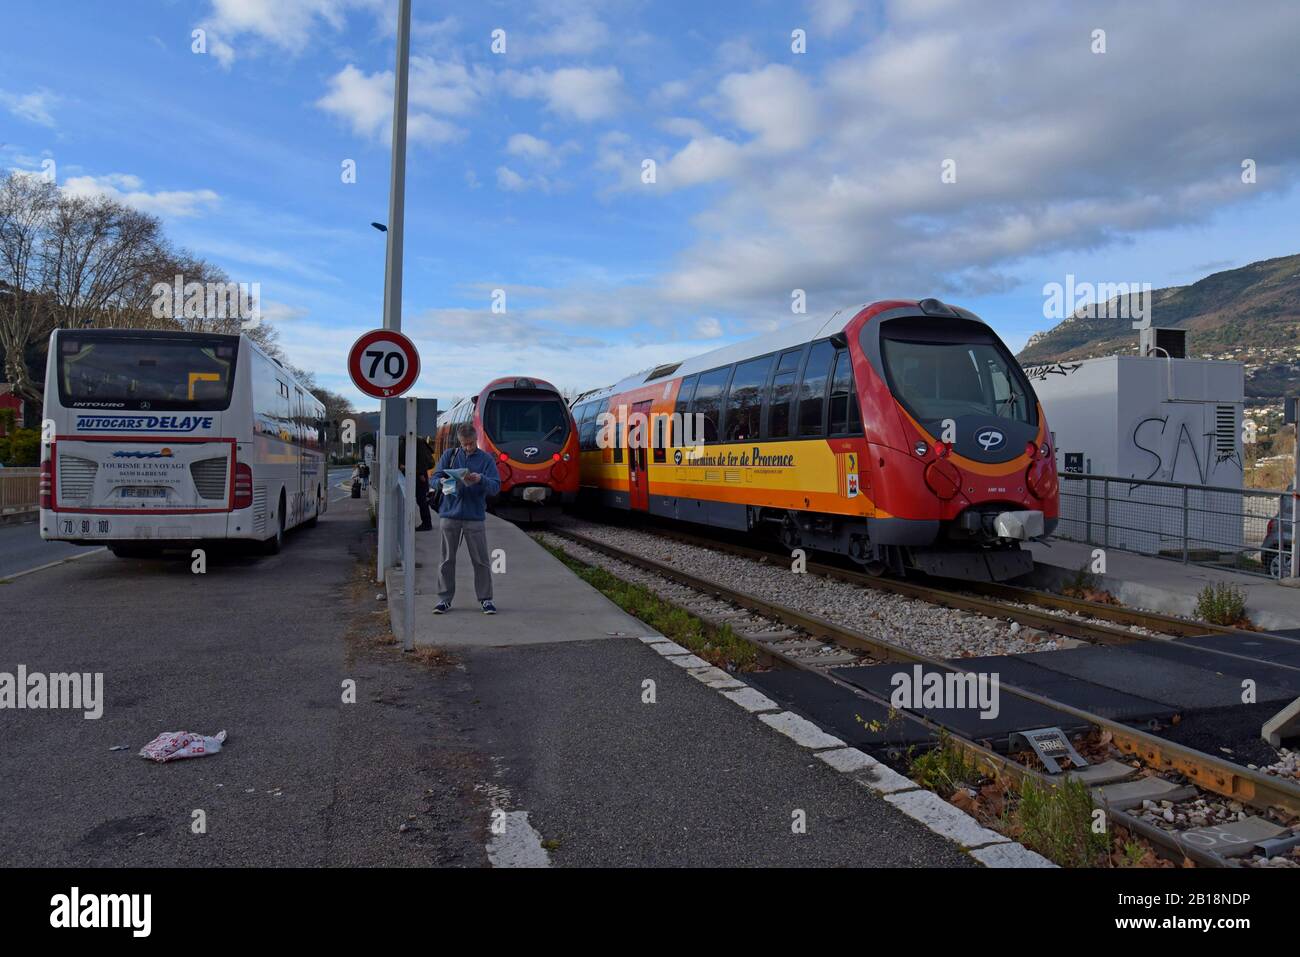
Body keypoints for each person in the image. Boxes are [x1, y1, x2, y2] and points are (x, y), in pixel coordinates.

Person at [431, 423, 500, 614]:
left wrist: (481, 479)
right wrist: (442, 482)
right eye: (464, 444)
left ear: (476, 439)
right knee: (446, 560)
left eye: (471, 444)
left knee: (481, 560)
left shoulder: (486, 460)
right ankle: (444, 599)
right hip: (449, 514)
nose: (468, 448)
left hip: (474, 516)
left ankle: (485, 599)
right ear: (459, 442)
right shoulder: (449, 456)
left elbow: (496, 487)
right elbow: (434, 478)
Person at [397, 434, 435, 531]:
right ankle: (424, 523)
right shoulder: (403, 440)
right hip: (410, 474)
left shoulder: (417, 441)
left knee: (421, 500)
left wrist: (421, 474)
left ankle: (427, 523)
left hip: (418, 475)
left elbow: (422, 459)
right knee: (419, 500)